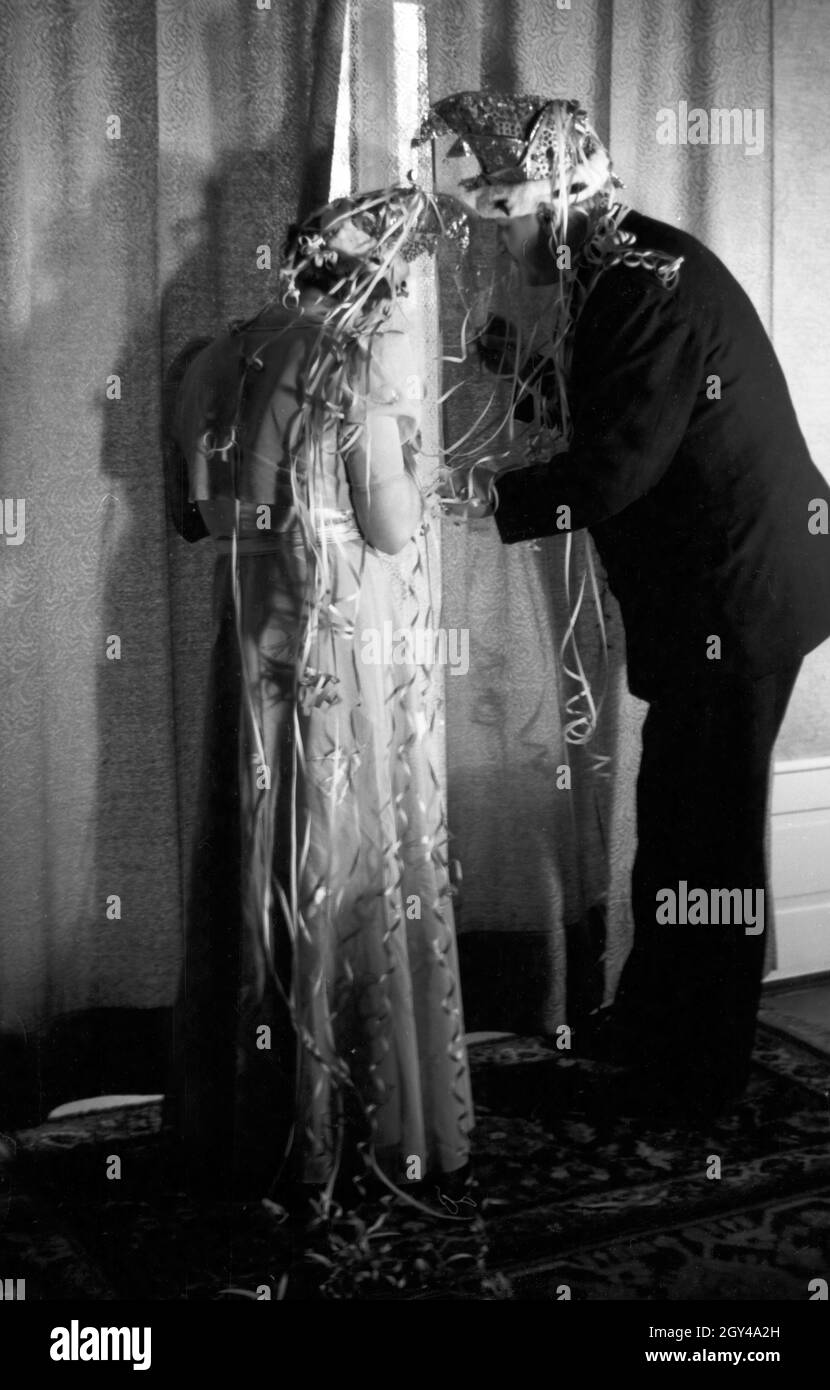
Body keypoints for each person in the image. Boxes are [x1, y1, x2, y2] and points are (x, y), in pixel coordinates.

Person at [417, 92, 830, 1118]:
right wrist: (515, 369)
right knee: (675, 814)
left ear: (555, 197)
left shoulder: (644, 284)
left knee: (709, 837)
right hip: (717, 590)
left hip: (742, 594)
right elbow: (608, 394)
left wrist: (463, 494)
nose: (490, 235)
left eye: (500, 214)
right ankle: (652, 1020)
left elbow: (612, 469)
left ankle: (696, 1077)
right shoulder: (615, 270)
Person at [163, 186, 473, 1199]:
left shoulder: (215, 354)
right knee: (334, 859)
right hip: (334, 648)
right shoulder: (350, 363)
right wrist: (418, 468)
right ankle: (334, 1125)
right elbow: (389, 528)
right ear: (380, 279)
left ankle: (243, 1115)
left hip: (249, 645)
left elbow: (199, 518)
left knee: (254, 850)